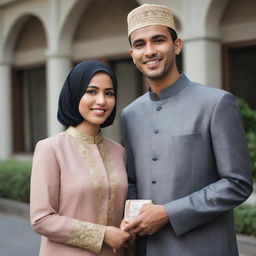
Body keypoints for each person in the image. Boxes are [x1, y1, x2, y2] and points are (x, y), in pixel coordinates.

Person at [121, 4, 253, 256]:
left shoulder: (216, 103)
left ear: (177, 45)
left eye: (158, 40)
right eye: (140, 44)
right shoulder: (130, 114)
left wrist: (167, 213)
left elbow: (237, 183)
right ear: (132, 53)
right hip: (148, 248)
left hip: (204, 248)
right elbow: (133, 182)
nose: (149, 51)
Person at [30, 60, 130, 256]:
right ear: (75, 94)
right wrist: (101, 235)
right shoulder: (50, 149)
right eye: (92, 91)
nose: (101, 101)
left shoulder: (119, 151)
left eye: (108, 93)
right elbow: (41, 219)